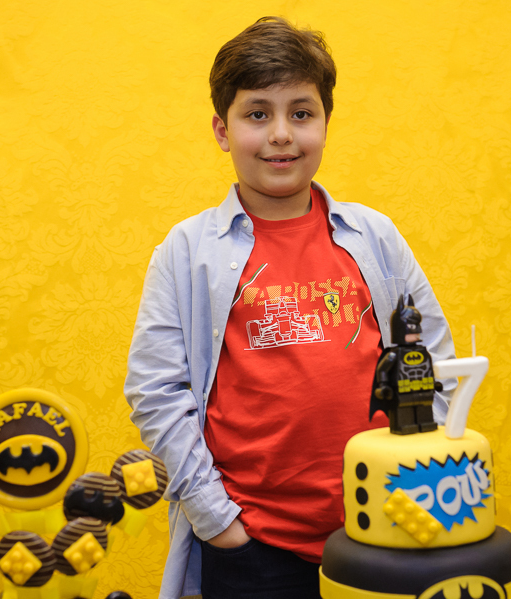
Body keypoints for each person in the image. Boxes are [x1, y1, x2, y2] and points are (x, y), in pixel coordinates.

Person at [124, 16, 455, 599]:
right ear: (222, 131)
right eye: (258, 114)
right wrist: (217, 521)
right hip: (256, 549)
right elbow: (156, 390)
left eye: (301, 113)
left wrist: (427, 482)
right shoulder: (187, 251)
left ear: (325, 123)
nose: (281, 134)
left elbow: (434, 360)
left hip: (388, 528)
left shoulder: (375, 237)